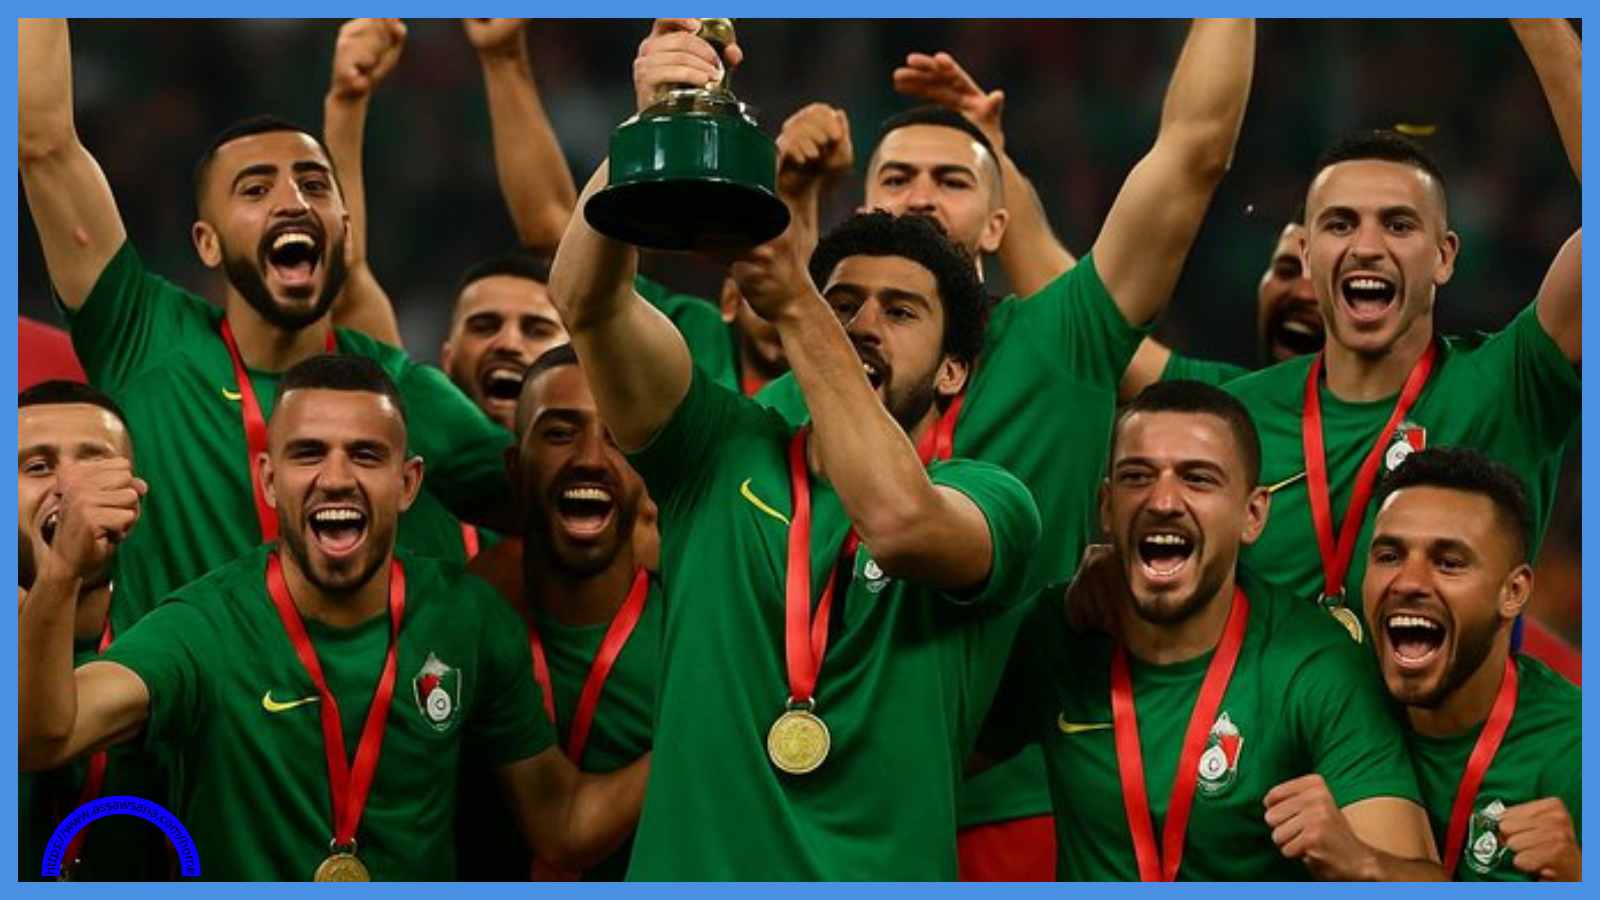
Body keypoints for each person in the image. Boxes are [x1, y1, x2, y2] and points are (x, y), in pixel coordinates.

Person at [735, 18, 1257, 879]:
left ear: (996, 224)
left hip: (1011, 802)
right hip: (816, 801)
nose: (920, 198)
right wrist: (793, 197)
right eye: (896, 178)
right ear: (864, 212)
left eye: (952, 181)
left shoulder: (1063, 342)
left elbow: (1194, 152)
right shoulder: (800, 393)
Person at [18, 355, 646, 881]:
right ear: (269, 480)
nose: (337, 478)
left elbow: (562, 828)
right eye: (308, 453)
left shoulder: (468, 617)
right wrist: (62, 571)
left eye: (366, 455)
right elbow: (41, 737)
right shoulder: (204, 627)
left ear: (408, 483)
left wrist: (696, 728)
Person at [19, 18, 515, 626]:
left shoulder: (399, 390)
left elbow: (563, 503)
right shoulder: (144, 337)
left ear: (344, 232)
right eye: (255, 190)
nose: (292, 202)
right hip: (174, 689)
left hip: (362, 691)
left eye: (313, 185)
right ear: (207, 243)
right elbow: (43, 143)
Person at [981, 380, 1442, 880]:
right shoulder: (1058, 631)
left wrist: (1360, 863)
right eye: (1137, 477)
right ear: (1106, 507)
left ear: (1252, 515)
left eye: (1198, 479)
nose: (1162, 501)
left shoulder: (1315, 665)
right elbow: (933, 757)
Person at [1224, 18, 1580, 642]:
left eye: (1397, 225)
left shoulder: (1510, 386)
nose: (1366, 247)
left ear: (1445, 255)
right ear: (1306, 255)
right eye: (1340, 224)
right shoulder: (1233, 421)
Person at [458, 344, 659, 881]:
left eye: (617, 436)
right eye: (559, 433)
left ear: (649, 472)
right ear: (516, 467)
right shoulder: (462, 615)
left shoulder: (697, 625)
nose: (590, 457)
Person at [1363, 447, 1580, 881]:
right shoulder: (1335, 703)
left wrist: (1581, 875)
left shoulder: (1577, 746)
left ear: (1514, 592)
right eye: (1389, 556)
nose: (1408, 582)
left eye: (1449, 563)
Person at [17, 381, 168, 881]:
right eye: (36, 467)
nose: (69, 488)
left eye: (94, 465)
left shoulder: (178, 626)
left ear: (136, 492)